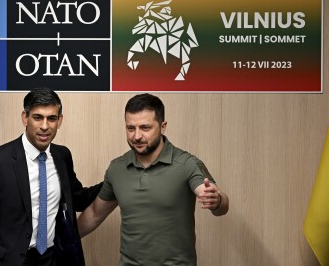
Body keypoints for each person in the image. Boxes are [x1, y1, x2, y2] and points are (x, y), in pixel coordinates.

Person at [77, 93, 229, 266]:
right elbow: (95, 214)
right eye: (131, 128)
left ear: (163, 127)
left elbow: (219, 204)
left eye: (145, 128)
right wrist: (57, 241)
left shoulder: (187, 163)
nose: (137, 136)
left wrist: (216, 200)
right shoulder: (117, 168)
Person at [0, 87, 102, 266]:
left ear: (60, 121)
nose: (45, 126)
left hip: (52, 258)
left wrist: (114, 181)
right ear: (25, 117)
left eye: (51, 118)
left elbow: (77, 198)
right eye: (37, 117)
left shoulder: (62, 156)